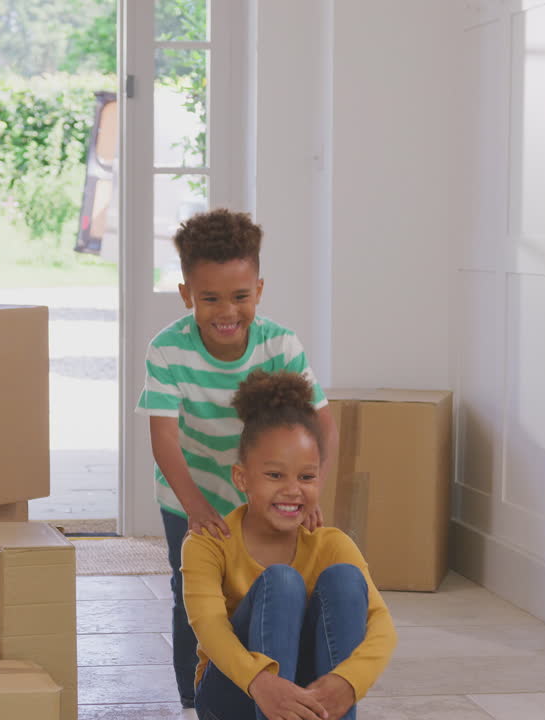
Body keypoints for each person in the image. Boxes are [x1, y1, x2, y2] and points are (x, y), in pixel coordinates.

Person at [135, 209, 339, 712]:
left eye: (240, 296)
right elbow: (163, 439)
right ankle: (194, 693)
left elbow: (324, 425)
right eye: (210, 298)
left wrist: (311, 491)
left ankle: (276, 680)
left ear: (259, 290)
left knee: (274, 580)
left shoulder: (279, 344)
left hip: (268, 493)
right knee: (195, 586)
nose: (227, 311)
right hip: (190, 493)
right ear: (187, 296)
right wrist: (195, 508)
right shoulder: (167, 351)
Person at [182, 370, 397, 720]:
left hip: (309, 699)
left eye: (307, 476)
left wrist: (348, 681)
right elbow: (209, 627)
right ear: (242, 478)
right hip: (234, 695)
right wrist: (262, 682)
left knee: (345, 579)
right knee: (282, 581)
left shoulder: (331, 544)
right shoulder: (209, 542)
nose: (293, 489)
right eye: (275, 475)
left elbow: (382, 628)